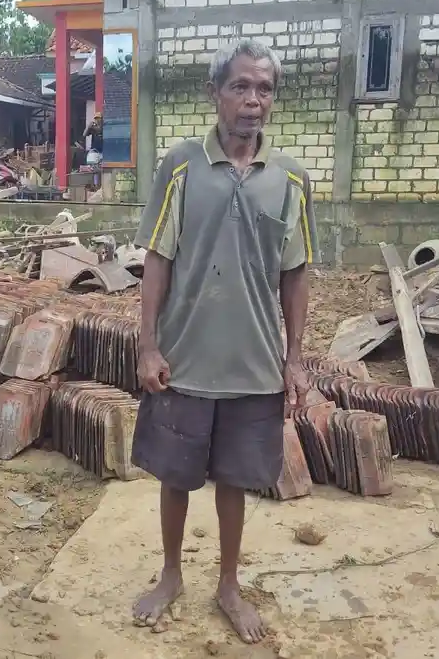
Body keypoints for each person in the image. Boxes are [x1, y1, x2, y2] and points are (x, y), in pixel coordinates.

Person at [129, 38, 317, 644]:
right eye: (240, 86)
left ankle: (228, 584)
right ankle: (171, 574)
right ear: (215, 94)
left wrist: (294, 360)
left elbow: (296, 272)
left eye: (264, 88)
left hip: (254, 363)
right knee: (175, 474)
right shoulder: (181, 164)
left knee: (234, 478)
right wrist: (148, 346)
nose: (252, 100)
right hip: (184, 357)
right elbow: (158, 258)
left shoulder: (291, 178)